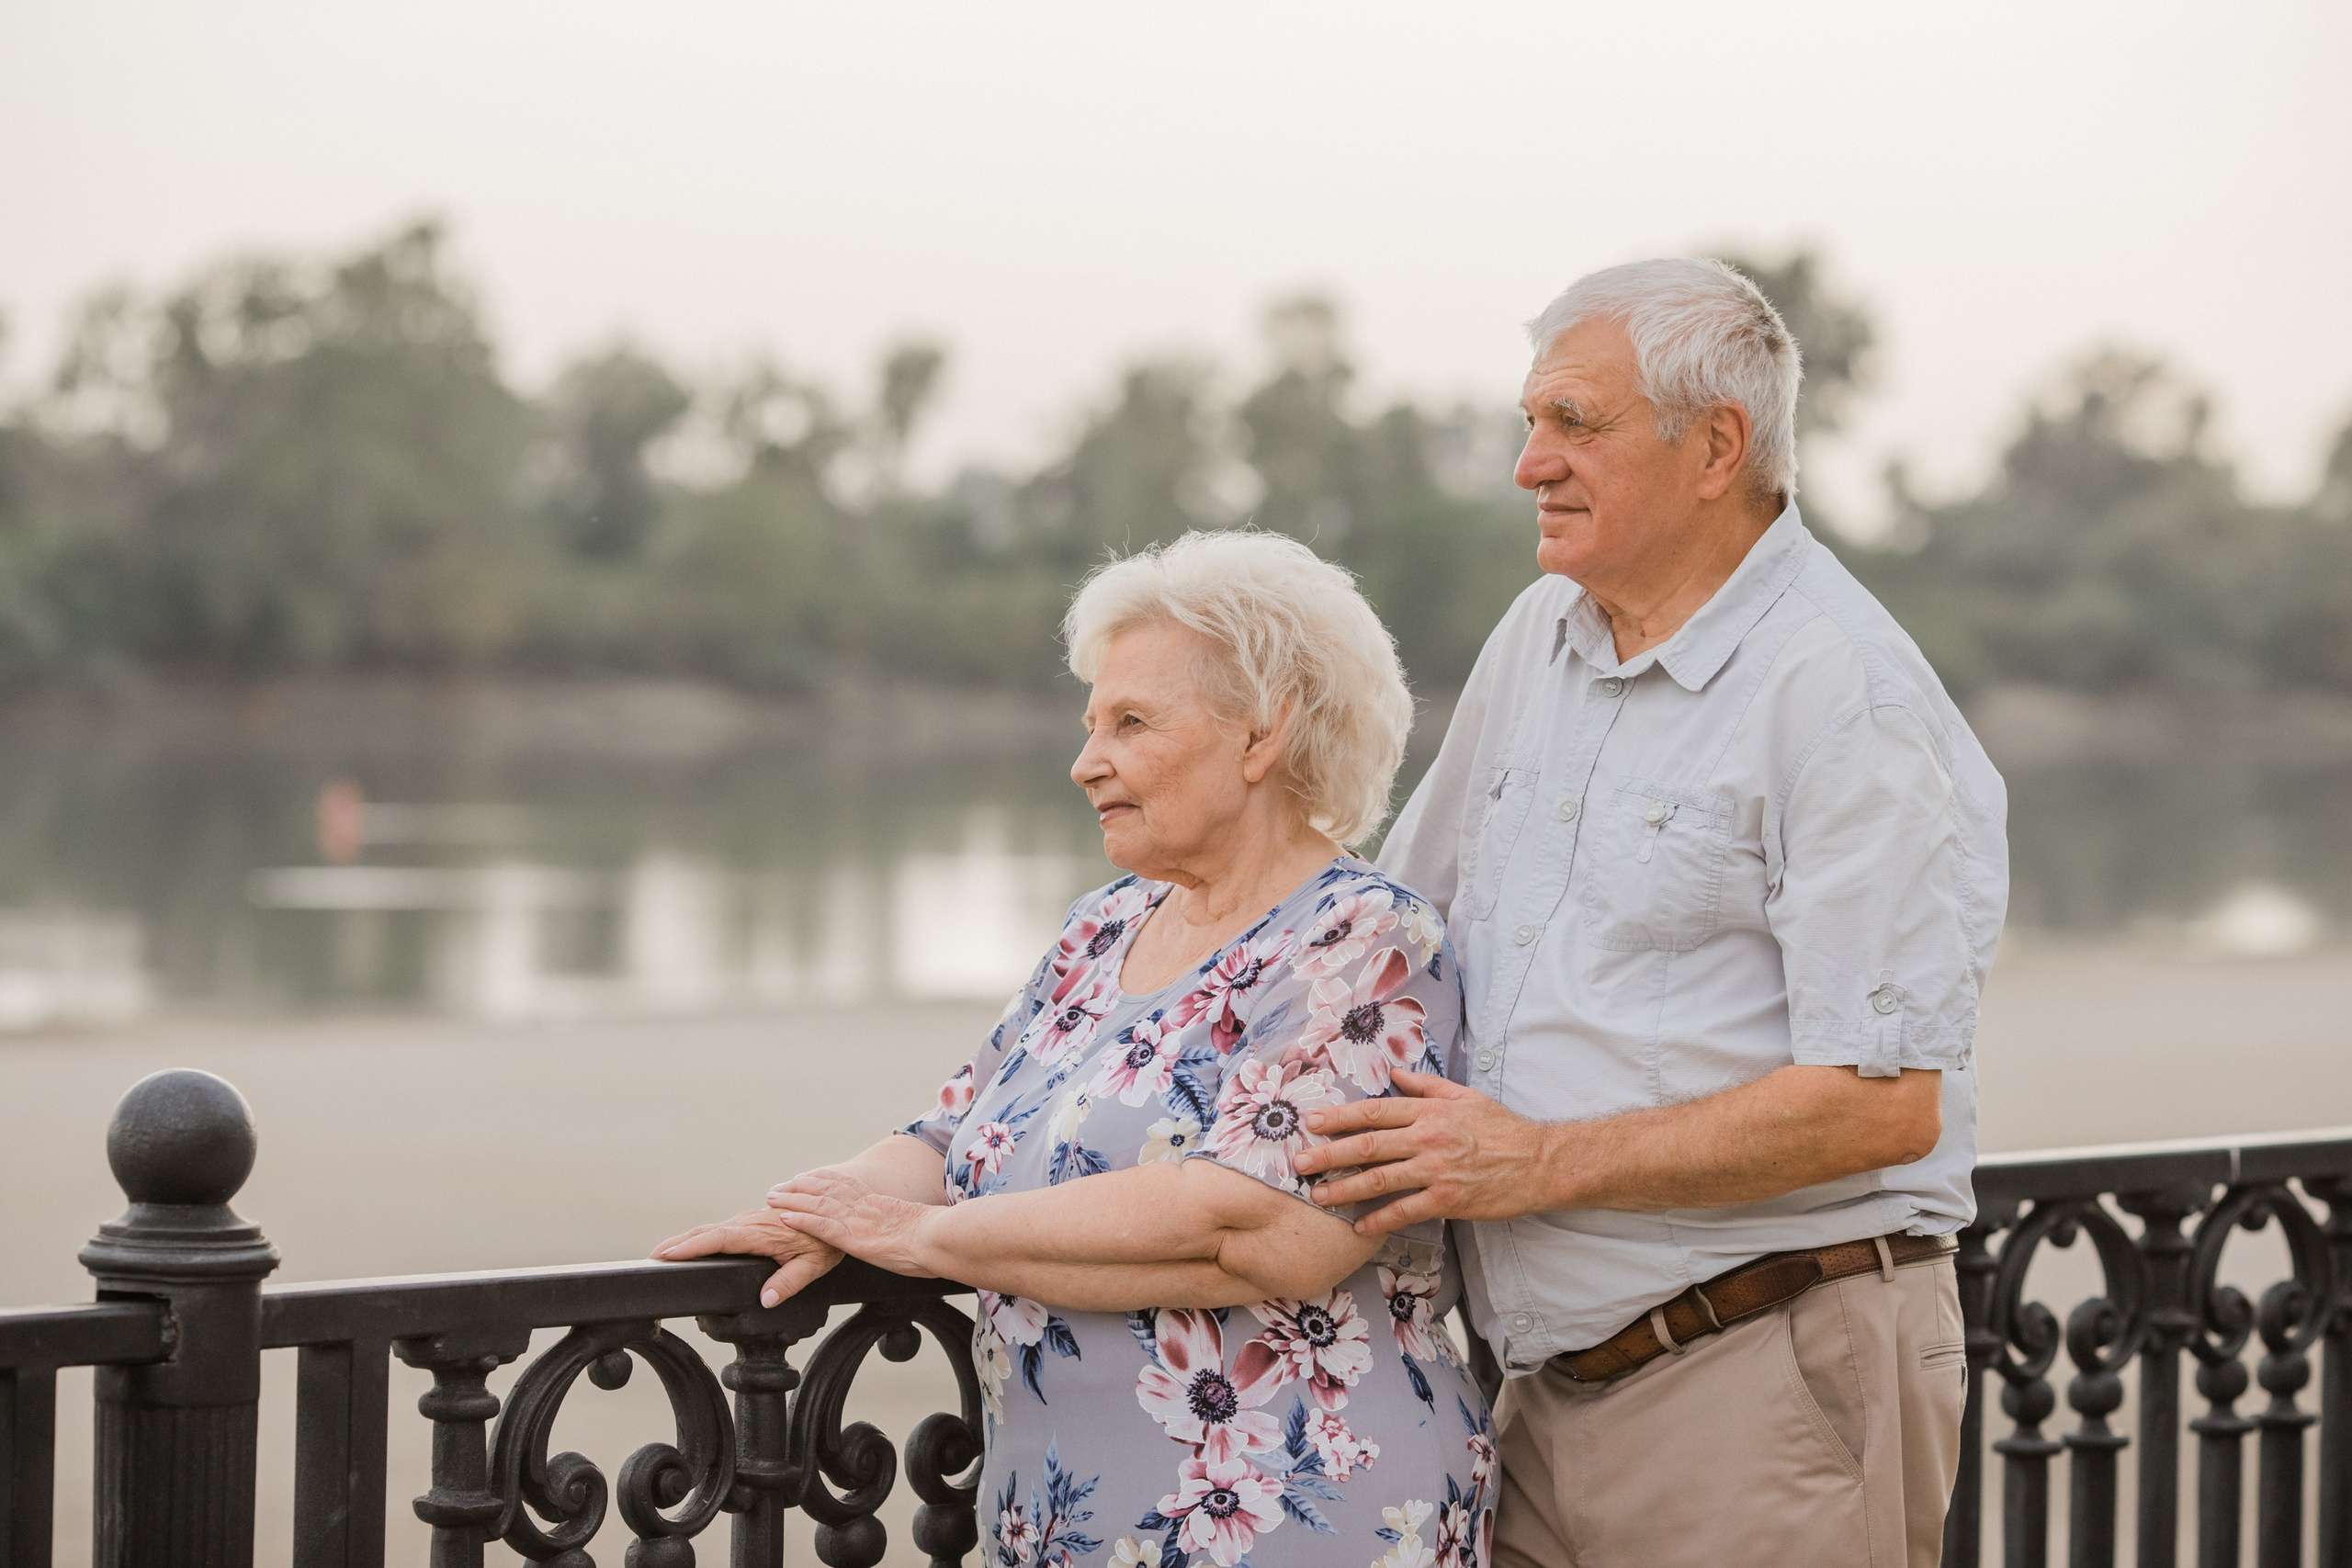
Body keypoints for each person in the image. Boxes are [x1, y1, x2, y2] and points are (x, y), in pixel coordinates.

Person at [1294, 258, 2008, 1568]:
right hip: (1536, 1401)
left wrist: (1532, 1164)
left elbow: (1882, 1102)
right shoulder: (1539, 633)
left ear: (1716, 446)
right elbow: (1398, 932)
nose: (1529, 463)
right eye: (1529, 421)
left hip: (1762, 1388)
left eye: (1575, 422)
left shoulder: (1843, 692)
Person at [657, 530, 1496, 1568]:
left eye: (1130, 723)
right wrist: (817, 1209)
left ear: (1263, 733)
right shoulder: (1103, 924)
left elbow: (1261, 1224)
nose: (1085, 761)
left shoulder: (1368, 938)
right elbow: (948, 1135)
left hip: (1302, 1518)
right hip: (1061, 1518)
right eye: (1091, 723)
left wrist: (925, 1240)